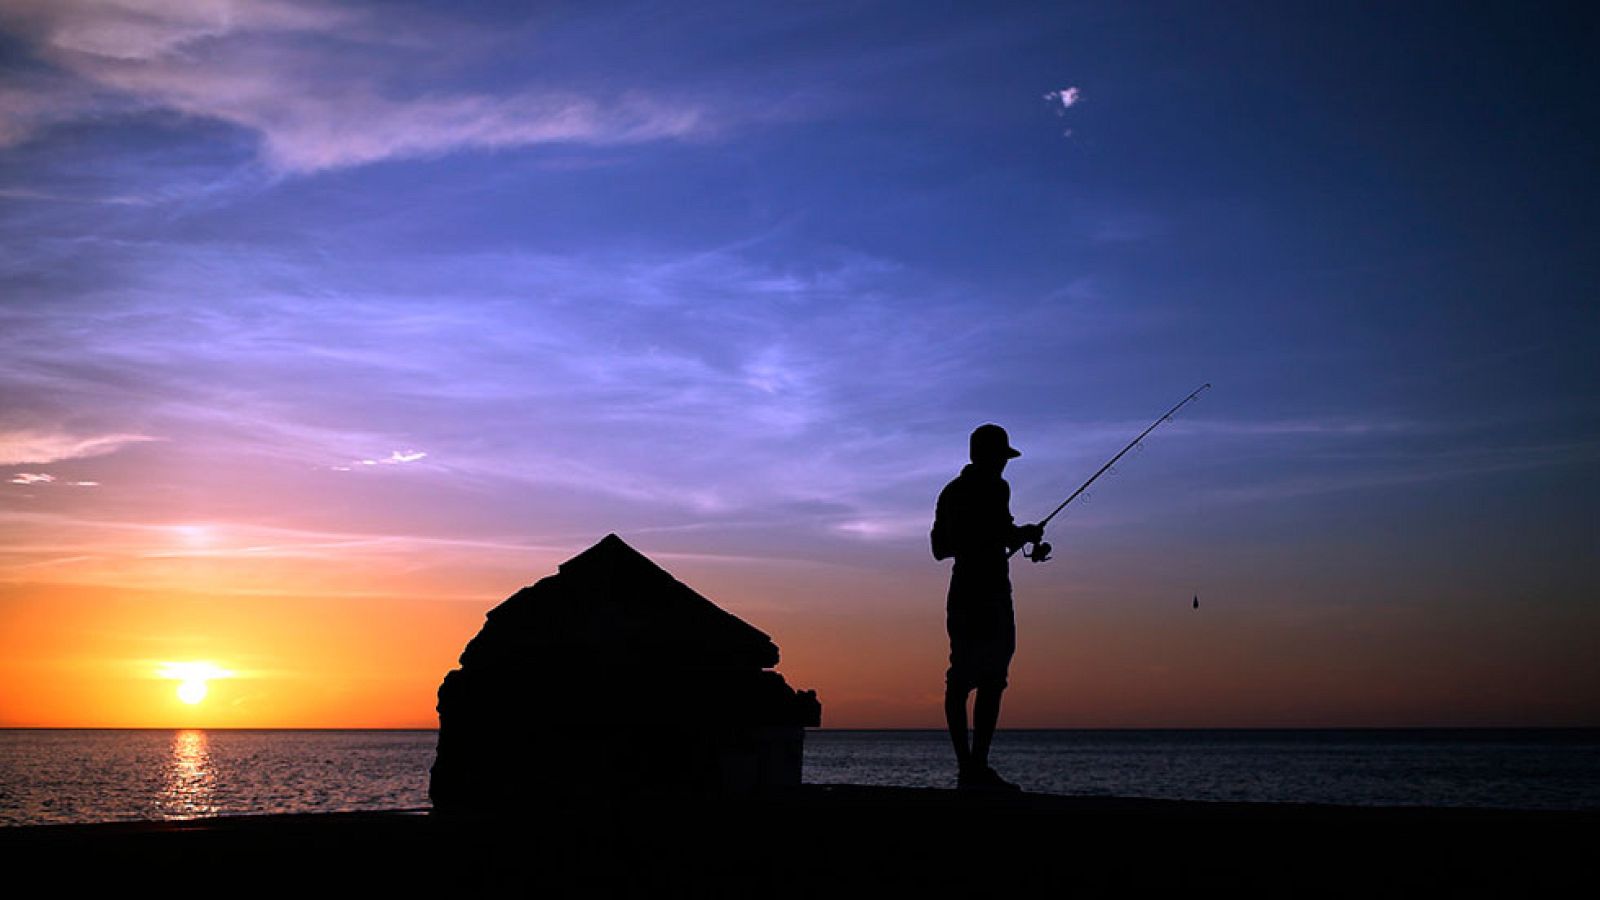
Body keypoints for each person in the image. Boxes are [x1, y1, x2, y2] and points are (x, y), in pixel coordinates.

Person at [930, 423, 1043, 791]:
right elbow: (996, 533)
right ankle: (975, 767)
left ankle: (969, 768)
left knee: (961, 678)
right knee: (991, 679)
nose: (1004, 466)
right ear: (990, 457)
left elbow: (939, 548)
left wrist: (1010, 534)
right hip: (990, 592)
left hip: (961, 590)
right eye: (1002, 458)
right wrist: (1019, 534)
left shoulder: (950, 491)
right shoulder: (995, 488)